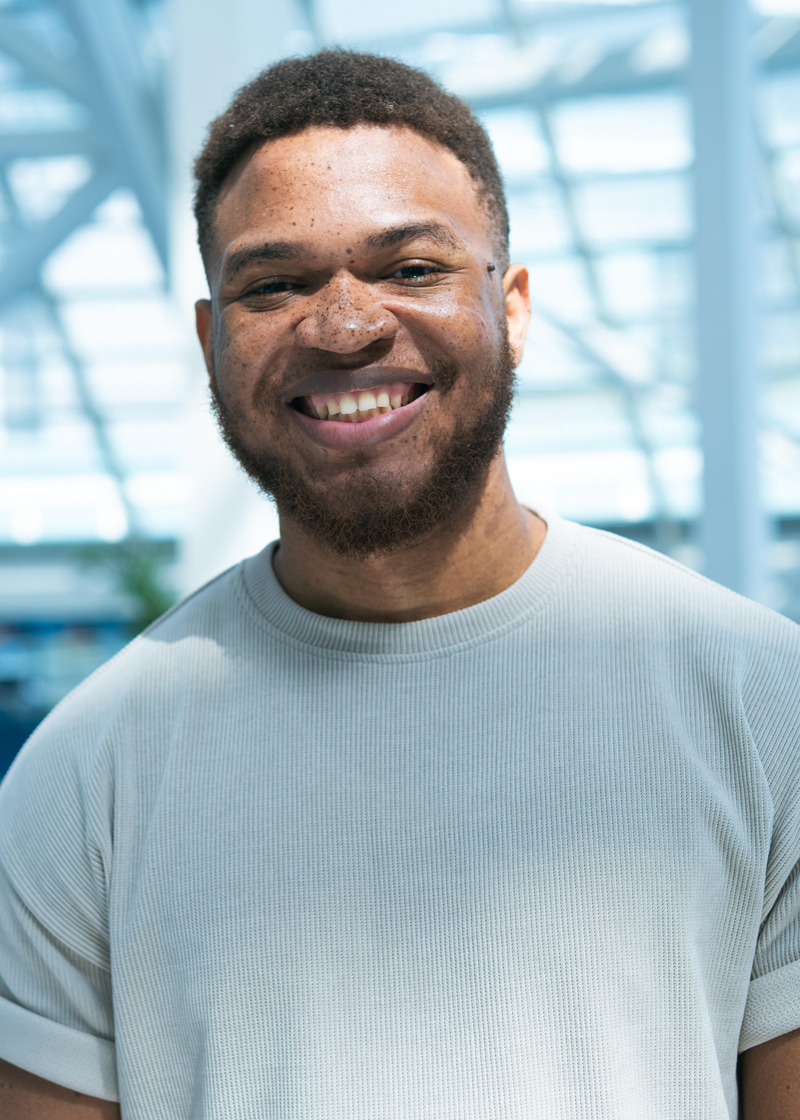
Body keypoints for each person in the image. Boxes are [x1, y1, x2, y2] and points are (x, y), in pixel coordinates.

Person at [0, 50, 798, 1120]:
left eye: (412, 267)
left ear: (512, 307)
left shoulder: (762, 704)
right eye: (273, 285)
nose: (344, 327)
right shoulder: (84, 775)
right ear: (210, 339)